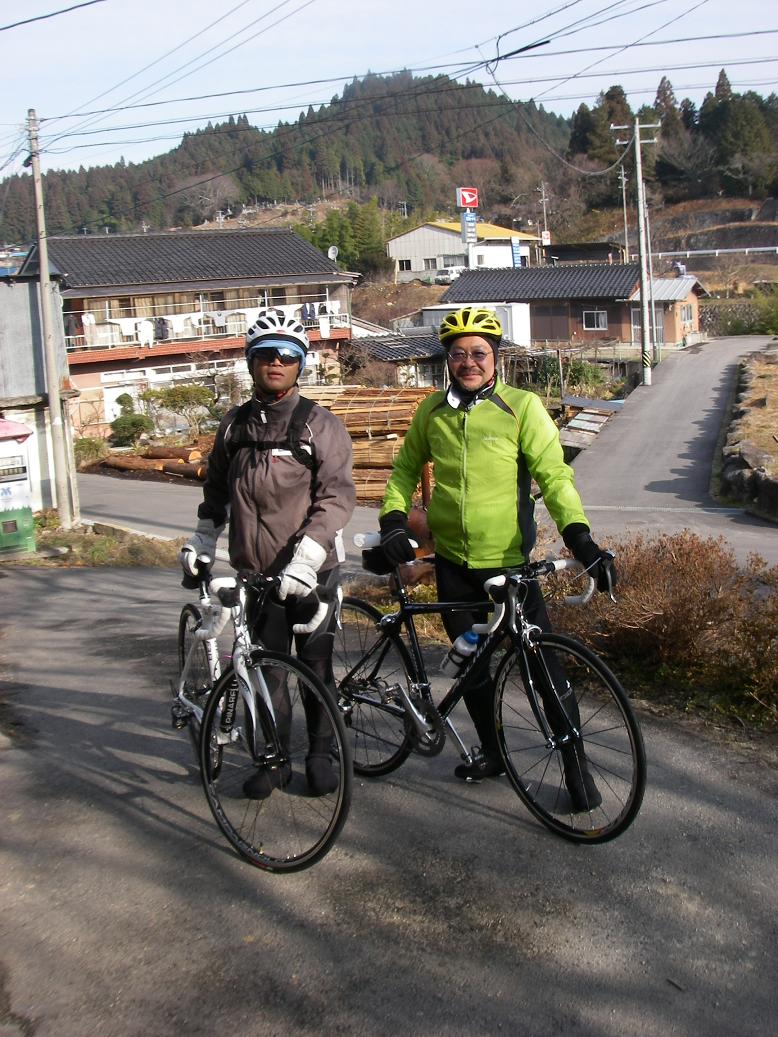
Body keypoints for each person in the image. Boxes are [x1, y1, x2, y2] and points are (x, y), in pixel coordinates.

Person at [378, 306, 616, 810]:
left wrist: (581, 540)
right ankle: (492, 752)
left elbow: (555, 477)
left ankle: (577, 768)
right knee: (472, 669)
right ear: (446, 359)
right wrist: (393, 521)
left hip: (510, 566)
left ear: (496, 358)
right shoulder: (432, 411)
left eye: (479, 353)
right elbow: (403, 471)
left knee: (543, 668)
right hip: (453, 566)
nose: (469, 362)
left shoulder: (521, 407)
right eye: (458, 354)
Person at [180, 308, 356, 800]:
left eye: (287, 355)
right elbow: (216, 492)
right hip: (255, 574)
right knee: (265, 670)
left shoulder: (320, 425)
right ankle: (274, 759)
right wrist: (202, 540)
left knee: (315, 667)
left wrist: (306, 559)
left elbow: (336, 498)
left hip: (312, 572)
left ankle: (320, 754)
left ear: (300, 364)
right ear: (250, 361)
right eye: (265, 354)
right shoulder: (234, 426)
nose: (275, 362)